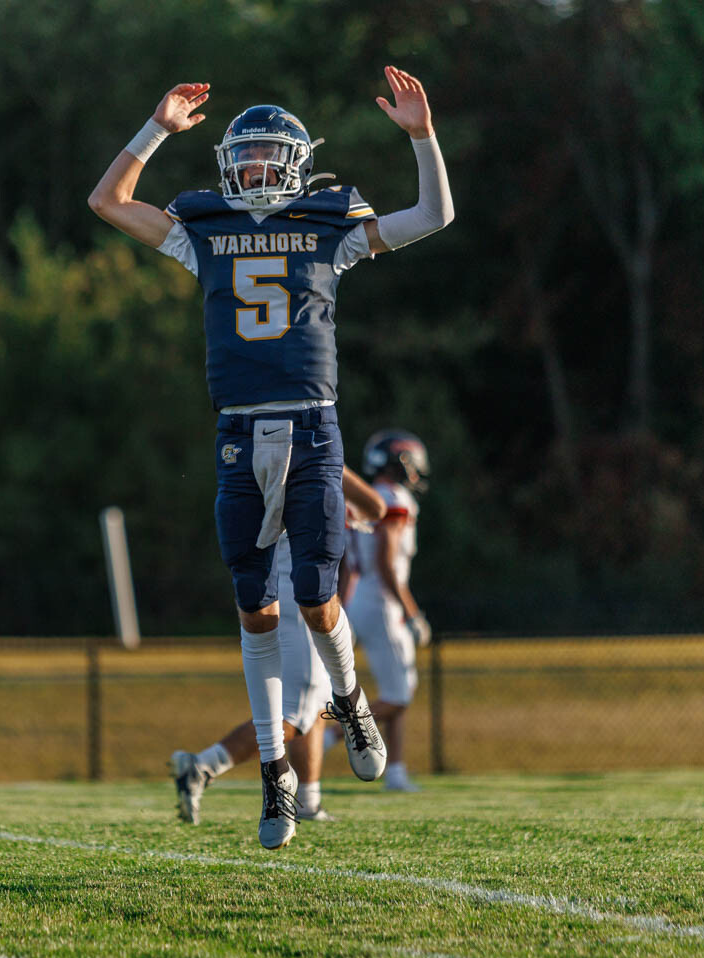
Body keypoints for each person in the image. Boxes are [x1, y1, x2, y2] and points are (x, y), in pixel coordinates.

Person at [88, 66, 453, 848]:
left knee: (318, 598)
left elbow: (434, 214)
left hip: (312, 427)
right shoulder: (205, 224)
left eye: (266, 156)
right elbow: (107, 202)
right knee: (254, 607)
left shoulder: (330, 221)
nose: (254, 168)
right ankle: (275, 777)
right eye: (244, 155)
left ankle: (350, 703)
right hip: (237, 431)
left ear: (294, 164)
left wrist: (423, 138)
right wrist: (155, 130)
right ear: (229, 163)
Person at [172, 468, 386, 825]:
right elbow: (376, 507)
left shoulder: (249, 451)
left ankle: (308, 801)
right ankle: (204, 765)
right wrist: (335, 499)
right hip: (297, 588)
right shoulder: (310, 446)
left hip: (274, 581)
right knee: (297, 709)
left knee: (313, 702)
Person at [341, 429, 432, 792]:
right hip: (382, 602)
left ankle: (395, 772)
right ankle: (333, 733)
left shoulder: (364, 495)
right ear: (401, 463)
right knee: (399, 695)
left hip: (362, 598)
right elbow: (386, 563)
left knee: (398, 686)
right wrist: (412, 611)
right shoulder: (392, 498)